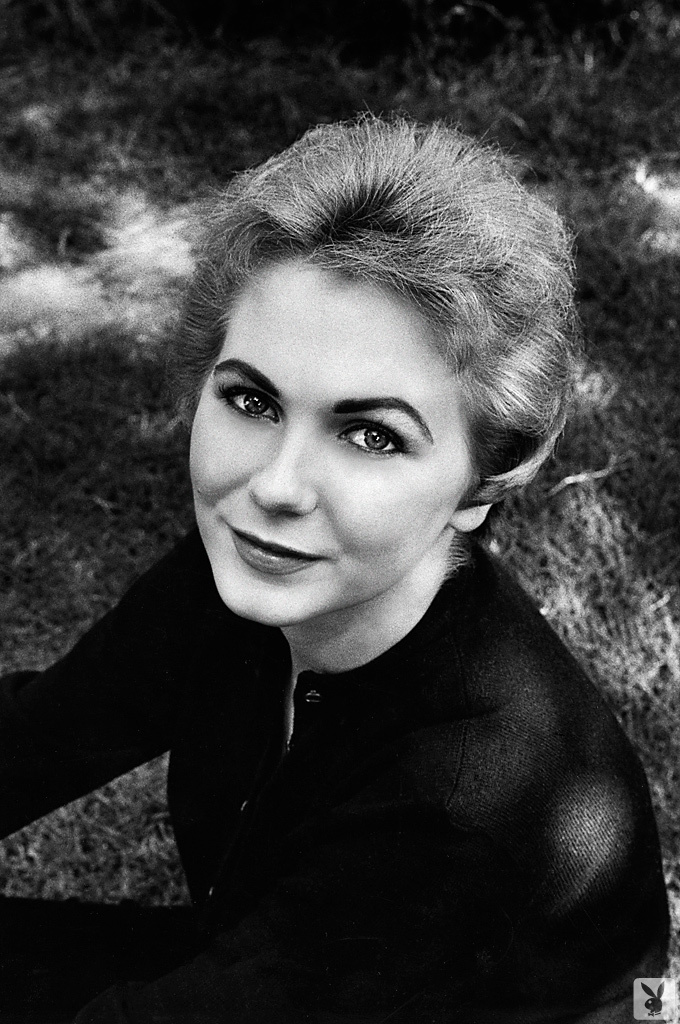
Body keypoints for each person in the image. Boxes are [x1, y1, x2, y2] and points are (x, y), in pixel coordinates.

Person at [0, 115, 669, 1023]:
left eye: (372, 436)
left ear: (481, 484)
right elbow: (37, 740)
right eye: (251, 400)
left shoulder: (462, 801)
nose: (276, 488)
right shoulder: (251, 572)